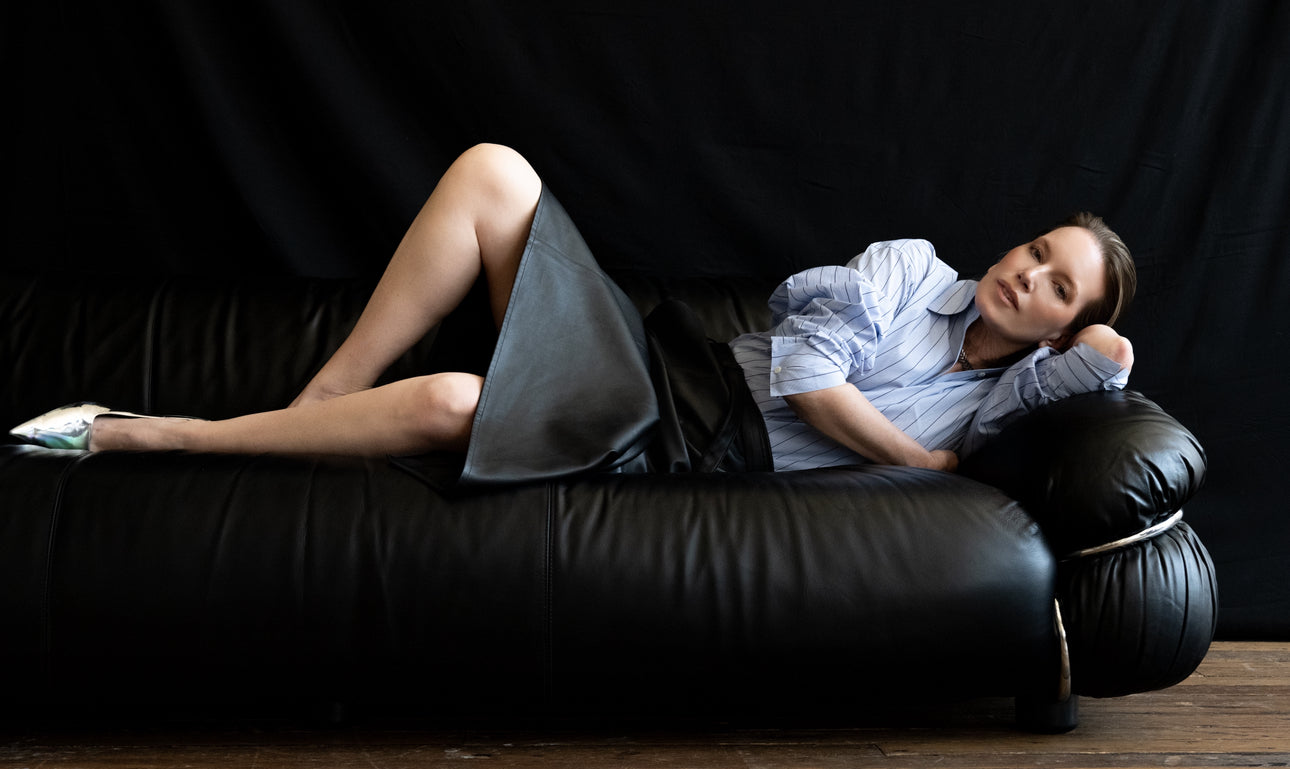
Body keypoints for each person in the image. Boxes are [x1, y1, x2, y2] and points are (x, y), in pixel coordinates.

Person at [10, 143, 1135, 480]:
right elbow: (805, 378)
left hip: (684, 448)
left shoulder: (999, 403)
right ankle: (325, 394)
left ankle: (156, 434)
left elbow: (1106, 361)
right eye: (1037, 249)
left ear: (1055, 329)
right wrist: (921, 463)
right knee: (495, 172)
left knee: (454, 402)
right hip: (664, 368)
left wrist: (1088, 338)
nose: (1028, 274)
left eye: (1058, 286)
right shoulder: (907, 267)